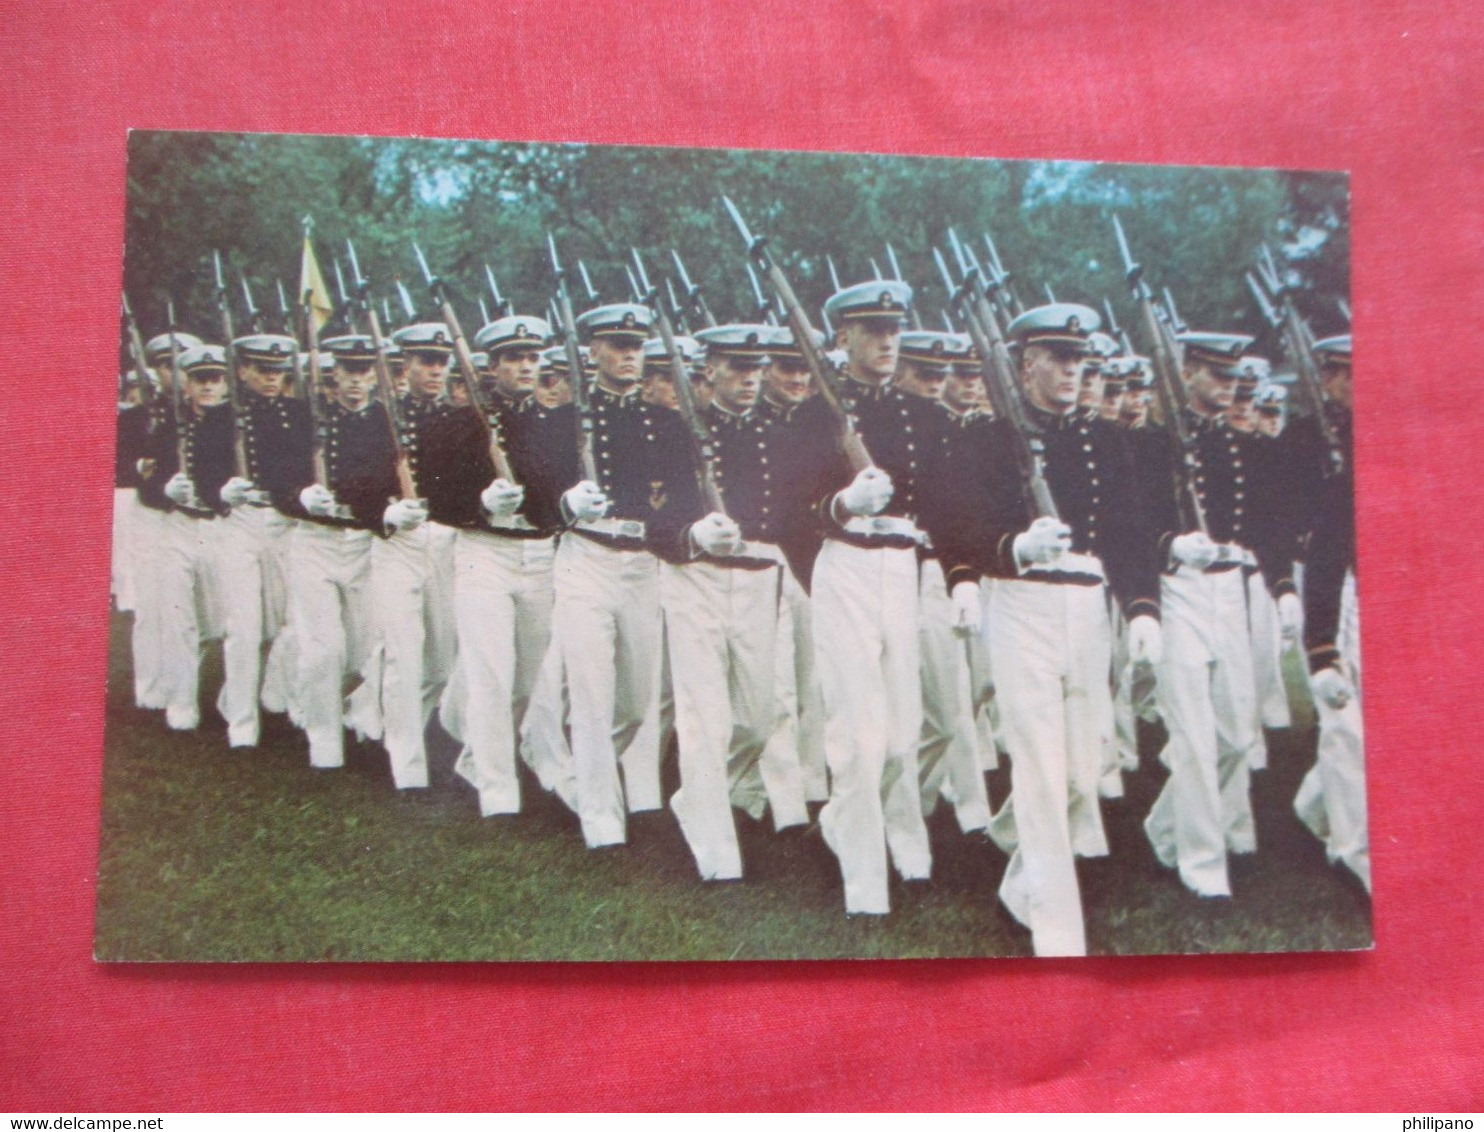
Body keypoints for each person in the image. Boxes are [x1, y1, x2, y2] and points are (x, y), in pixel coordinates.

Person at [941, 303, 1162, 956]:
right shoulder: (985, 437)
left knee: (1079, 772)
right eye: (1059, 359)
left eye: (1079, 360)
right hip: (1023, 605)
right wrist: (1014, 546)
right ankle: (1058, 932)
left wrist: (1144, 608)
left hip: (1087, 609)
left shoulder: (1101, 439)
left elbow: (1129, 529)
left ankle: (1019, 888)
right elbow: (957, 526)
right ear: (1026, 363)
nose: (1072, 372)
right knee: (1039, 766)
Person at [646, 323, 813, 879]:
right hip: (695, 577)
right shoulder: (676, 432)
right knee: (704, 718)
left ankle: (700, 795)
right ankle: (716, 854)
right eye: (738, 368)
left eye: (756, 369)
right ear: (709, 369)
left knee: (760, 719)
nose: (749, 379)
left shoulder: (774, 432)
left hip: (758, 579)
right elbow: (654, 523)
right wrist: (692, 535)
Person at [1142, 332, 1300, 898]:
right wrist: (1170, 544)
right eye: (1216, 374)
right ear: (1186, 371)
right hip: (1178, 587)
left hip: (1229, 588)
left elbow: (1266, 520)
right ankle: (1203, 866)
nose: (1228, 386)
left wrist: (1282, 585)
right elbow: (1129, 522)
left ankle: (1163, 828)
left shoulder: (1233, 444)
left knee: (1236, 735)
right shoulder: (1153, 440)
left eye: (1233, 377)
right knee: (1193, 735)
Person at [541, 302, 700, 848]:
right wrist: (566, 500)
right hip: (586, 555)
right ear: (593, 352)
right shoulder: (567, 421)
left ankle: (580, 778)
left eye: (635, 346)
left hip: (642, 561)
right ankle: (601, 818)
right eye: (617, 346)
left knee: (635, 704)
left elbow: (684, 495)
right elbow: (539, 488)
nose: (628, 356)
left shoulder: (664, 422)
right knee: (590, 691)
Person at [809, 278, 944, 915]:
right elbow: (783, 507)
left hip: (903, 566)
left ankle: (882, 830)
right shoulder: (814, 411)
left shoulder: (917, 412)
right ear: (844, 337)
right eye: (873, 331)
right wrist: (841, 503)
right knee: (857, 734)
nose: (888, 341)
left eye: (894, 330)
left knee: (902, 733)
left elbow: (941, 500)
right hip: (847, 564)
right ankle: (865, 883)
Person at [432, 315, 576, 816]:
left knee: (527, 675)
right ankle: (498, 789)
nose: (524, 367)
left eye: (532, 358)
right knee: (491, 671)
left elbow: (560, 489)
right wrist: (481, 504)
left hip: (537, 553)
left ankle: (474, 756)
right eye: (513, 358)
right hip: (484, 550)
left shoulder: (554, 422)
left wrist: (560, 503)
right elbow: (437, 498)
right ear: (491, 367)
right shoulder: (462, 424)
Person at [346, 322, 459, 789]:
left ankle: (371, 713)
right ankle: (407, 763)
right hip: (398, 541)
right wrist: (388, 510)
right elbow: (352, 483)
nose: (434, 371)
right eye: (424, 362)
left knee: (440, 660)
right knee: (404, 655)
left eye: (441, 362)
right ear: (405, 365)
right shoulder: (376, 418)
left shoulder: (458, 418)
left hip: (447, 538)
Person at [894, 329, 993, 834]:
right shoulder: (881, 429)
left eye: (943, 374)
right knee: (925, 706)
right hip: (889, 572)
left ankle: (922, 799)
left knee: (954, 704)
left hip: (943, 571)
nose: (937, 385)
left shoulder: (957, 433)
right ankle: (928, 806)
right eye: (925, 375)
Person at [277, 334, 386, 769]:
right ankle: (323, 738)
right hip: (315, 540)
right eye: (348, 371)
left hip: (362, 542)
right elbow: (277, 478)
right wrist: (302, 496)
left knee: (363, 647)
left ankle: (350, 710)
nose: (356, 380)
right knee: (323, 647)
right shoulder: (305, 422)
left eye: (364, 371)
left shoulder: (385, 422)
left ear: (375, 376)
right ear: (334, 374)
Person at [1294, 334, 1369, 893]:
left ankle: (1312, 805)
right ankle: (1353, 853)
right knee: (1344, 724)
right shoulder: (1316, 443)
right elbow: (1322, 555)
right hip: (1342, 591)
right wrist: (1321, 647)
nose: (1345, 383)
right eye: (1337, 372)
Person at [213, 333, 307, 748]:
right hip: (241, 520)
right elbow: (200, 469)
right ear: (243, 371)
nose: (272, 378)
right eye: (263, 370)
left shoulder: (299, 413)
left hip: (285, 521)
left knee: (295, 621)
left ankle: (279, 696)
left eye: (278, 370)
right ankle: (242, 721)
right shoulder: (222, 417)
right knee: (244, 626)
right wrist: (221, 489)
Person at [135, 343, 232, 732]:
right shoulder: (171, 427)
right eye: (199, 380)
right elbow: (147, 487)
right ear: (186, 385)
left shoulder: (234, 427)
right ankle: (182, 700)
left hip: (219, 529)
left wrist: (213, 491)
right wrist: (164, 490)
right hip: (178, 529)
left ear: (225, 384)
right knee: (178, 620)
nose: (208, 387)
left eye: (215, 379)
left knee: (213, 624)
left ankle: (197, 683)